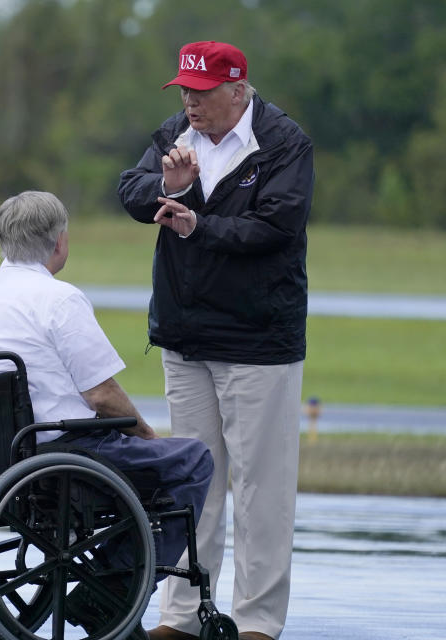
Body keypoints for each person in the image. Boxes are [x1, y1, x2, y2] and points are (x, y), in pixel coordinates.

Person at [0, 190, 215, 638]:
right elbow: (103, 396)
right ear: (59, 242)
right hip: (67, 453)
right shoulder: (58, 300)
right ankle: (117, 584)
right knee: (191, 460)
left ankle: (114, 574)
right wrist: (147, 435)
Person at [117, 42, 314, 640]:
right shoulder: (179, 131)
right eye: (183, 90)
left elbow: (276, 226)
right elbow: (130, 190)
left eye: (200, 92)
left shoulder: (283, 143)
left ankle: (257, 623)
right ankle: (178, 616)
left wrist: (198, 217)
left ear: (238, 90)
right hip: (186, 336)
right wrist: (165, 186)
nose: (189, 103)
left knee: (261, 489)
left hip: (258, 340)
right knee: (191, 484)